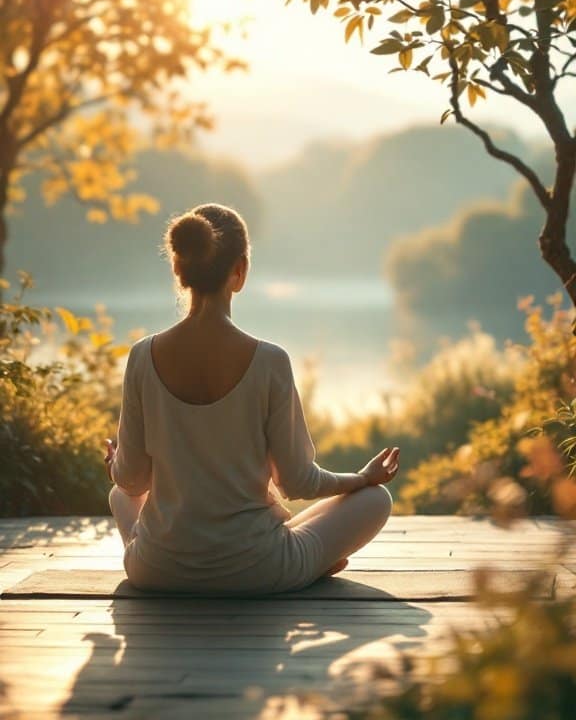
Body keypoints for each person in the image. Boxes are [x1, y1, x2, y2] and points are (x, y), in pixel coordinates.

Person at [105, 203, 400, 596]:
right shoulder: (270, 361)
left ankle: (183, 553)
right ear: (239, 272)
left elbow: (131, 481)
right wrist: (363, 479)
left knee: (119, 497)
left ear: (179, 269)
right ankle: (310, 562)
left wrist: (115, 464)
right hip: (259, 570)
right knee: (375, 500)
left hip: (157, 570)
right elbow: (297, 481)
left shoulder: (142, 356)